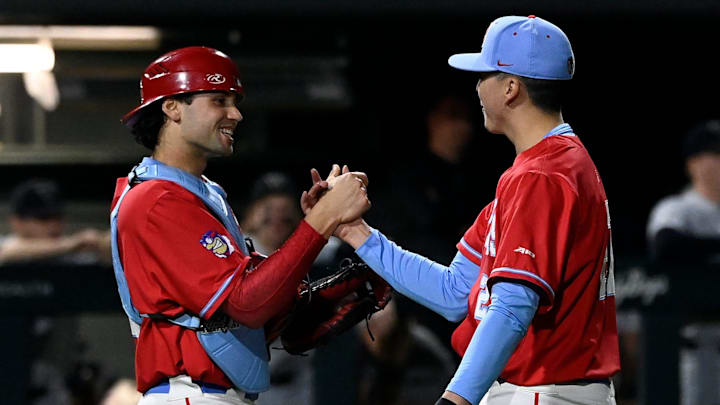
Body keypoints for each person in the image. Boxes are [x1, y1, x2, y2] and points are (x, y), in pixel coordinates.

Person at [305, 15, 619, 405]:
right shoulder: (547, 168)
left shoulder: (543, 175)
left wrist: (456, 399)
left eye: (484, 74)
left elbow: (514, 305)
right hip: (540, 389)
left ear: (510, 88)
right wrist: (355, 232)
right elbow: (455, 292)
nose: (477, 86)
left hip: (543, 389)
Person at [111, 46, 370, 405]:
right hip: (190, 393)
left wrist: (300, 300)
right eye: (219, 100)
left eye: (234, 101)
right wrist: (320, 221)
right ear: (171, 107)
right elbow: (247, 304)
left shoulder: (202, 193)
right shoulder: (157, 199)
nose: (235, 113)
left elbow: (249, 298)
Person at [646, 120, 720, 404]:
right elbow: (666, 245)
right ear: (693, 164)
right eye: (713, 154)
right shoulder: (678, 209)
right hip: (696, 349)